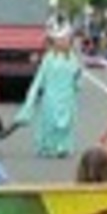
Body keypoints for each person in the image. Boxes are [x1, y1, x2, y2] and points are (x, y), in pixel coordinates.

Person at [14, 22, 83, 158]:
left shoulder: (73, 59)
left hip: (67, 96)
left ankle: (62, 147)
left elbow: (77, 81)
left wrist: (77, 79)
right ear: (55, 42)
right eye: (60, 40)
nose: (63, 43)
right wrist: (31, 98)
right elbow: (39, 79)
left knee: (65, 123)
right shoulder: (49, 58)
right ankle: (48, 147)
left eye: (66, 40)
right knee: (50, 122)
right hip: (51, 96)